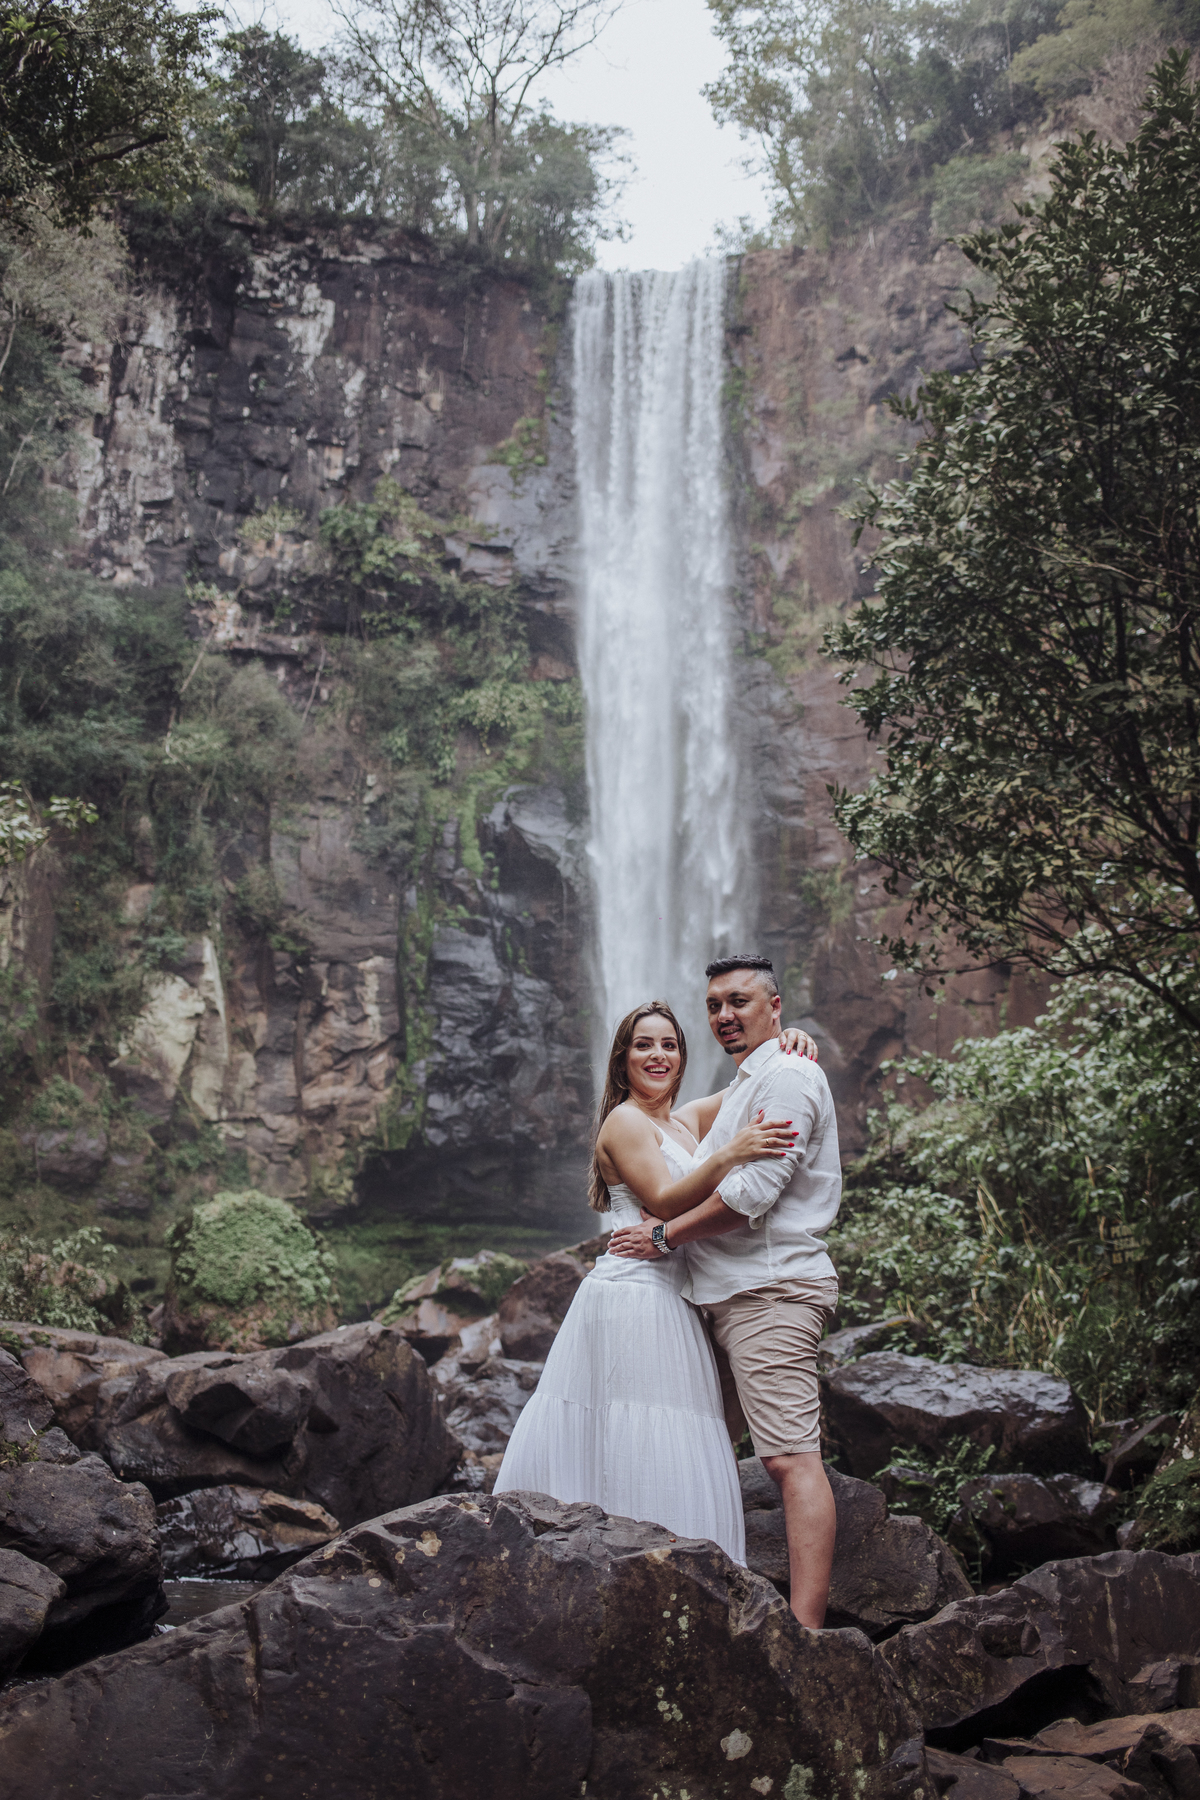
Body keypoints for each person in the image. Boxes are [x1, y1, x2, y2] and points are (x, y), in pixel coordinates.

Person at [492, 999, 814, 1563]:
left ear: (682, 1057)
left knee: (667, 1429)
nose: (658, 1055)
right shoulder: (624, 1121)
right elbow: (664, 1202)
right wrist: (730, 1154)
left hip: (673, 1295)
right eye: (644, 1045)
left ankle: (667, 1570)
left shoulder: (681, 1122)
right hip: (632, 1294)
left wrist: (790, 1039)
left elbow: (752, 1081)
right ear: (623, 1059)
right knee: (634, 1425)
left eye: (669, 1045)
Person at [609, 955, 840, 1628]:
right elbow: (686, 1139)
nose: (724, 1015)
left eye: (739, 1001)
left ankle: (806, 1638)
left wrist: (662, 1237)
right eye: (713, 1005)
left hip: (768, 1290)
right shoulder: (747, 1083)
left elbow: (747, 1197)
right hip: (717, 1298)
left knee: (789, 1460)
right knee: (693, 1445)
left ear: (774, 1005)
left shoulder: (787, 1076)